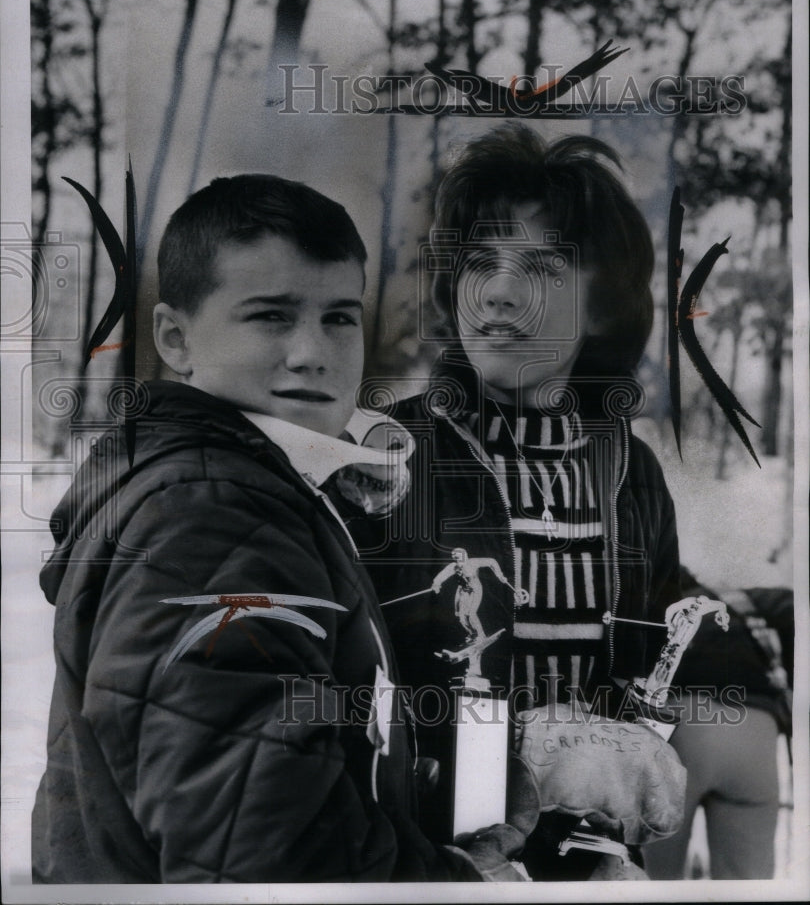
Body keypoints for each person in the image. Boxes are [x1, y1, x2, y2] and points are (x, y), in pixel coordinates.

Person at [31, 174, 531, 883]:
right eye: (271, 316)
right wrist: (464, 888)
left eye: (339, 317)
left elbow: (271, 767)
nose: (312, 352)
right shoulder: (209, 518)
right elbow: (264, 862)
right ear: (175, 338)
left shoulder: (250, 485)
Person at [354, 124, 687, 878]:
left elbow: (652, 670)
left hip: (590, 865)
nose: (499, 292)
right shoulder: (383, 457)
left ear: (601, 302)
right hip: (422, 864)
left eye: (541, 266)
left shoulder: (631, 475)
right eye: (480, 263)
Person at [643, 570, 793, 880]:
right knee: (747, 882)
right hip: (754, 732)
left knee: (652, 877)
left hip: (677, 730)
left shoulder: (659, 603)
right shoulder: (751, 602)